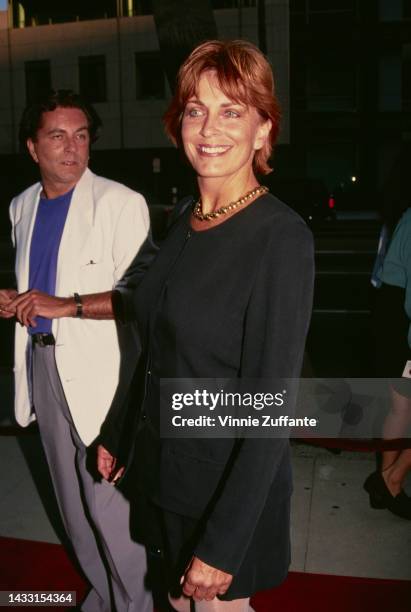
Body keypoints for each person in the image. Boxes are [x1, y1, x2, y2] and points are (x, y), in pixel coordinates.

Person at [97, 40, 315, 611]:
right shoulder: (183, 221)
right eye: (196, 109)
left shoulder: (279, 238)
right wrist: (120, 432)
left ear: (264, 130)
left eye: (232, 111)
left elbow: (271, 405)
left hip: (223, 491)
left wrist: (224, 542)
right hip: (168, 472)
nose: (209, 127)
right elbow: (155, 343)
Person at [0, 90, 153, 612]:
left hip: (101, 375)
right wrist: (17, 301)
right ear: (32, 147)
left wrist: (63, 305)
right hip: (40, 363)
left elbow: (140, 301)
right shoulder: (21, 206)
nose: (72, 148)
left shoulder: (120, 203)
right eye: (57, 136)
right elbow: (38, 281)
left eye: (81, 135)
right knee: (71, 503)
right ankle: (106, 592)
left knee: (108, 502)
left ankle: (134, 602)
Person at [364, 206, 411, 520]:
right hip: (402, 319)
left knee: (400, 408)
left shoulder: (406, 214)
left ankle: (385, 481)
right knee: (401, 408)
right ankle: (391, 479)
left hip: (393, 315)